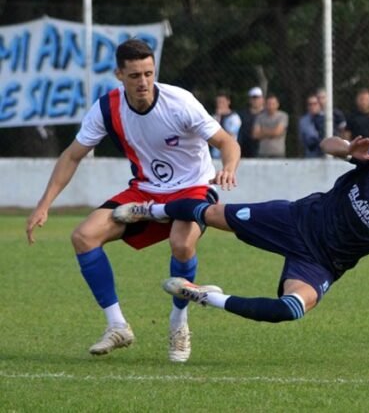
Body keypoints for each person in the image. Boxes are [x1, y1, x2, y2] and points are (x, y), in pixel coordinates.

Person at [112, 123, 369, 349]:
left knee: (289, 310)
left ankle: (208, 298)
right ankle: (152, 210)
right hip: (295, 219)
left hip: (322, 262)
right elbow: (327, 144)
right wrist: (346, 149)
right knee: (211, 214)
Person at [25, 38, 241, 362]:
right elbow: (71, 156)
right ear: (119, 75)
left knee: (182, 246)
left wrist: (229, 167)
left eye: (149, 74)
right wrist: (44, 205)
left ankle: (179, 321)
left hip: (194, 187)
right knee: (83, 237)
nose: (143, 82)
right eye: (135, 76)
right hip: (145, 189)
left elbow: (227, 142)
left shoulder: (180, 102)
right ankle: (117, 326)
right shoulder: (106, 109)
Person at [253, 93, 289, 158]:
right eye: (269, 104)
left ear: (278, 104)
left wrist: (263, 131)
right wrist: (272, 132)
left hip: (278, 153)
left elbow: (277, 132)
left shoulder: (283, 116)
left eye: (273, 104)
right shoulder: (260, 117)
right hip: (262, 153)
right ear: (265, 105)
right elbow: (255, 134)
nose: (271, 106)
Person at [210, 92, 241, 159]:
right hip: (215, 153)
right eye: (218, 102)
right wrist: (218, 117)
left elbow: (231, 134)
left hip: (229, 151)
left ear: (228, 102)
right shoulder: (214, 117)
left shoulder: (234, 118)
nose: (220, 104)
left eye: (222, 102)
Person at [237, 87, 264, 158]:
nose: (255, 100)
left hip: (261, 148)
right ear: (250, 100)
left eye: (257, 98)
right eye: (253, 98)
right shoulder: (242, 114)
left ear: (262, 99)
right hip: (244, 148)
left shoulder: (266, 114)